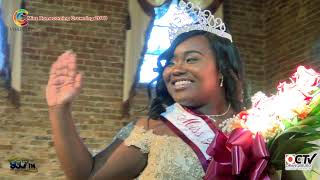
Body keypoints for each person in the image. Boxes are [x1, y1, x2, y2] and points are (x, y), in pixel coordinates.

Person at [46, 1, 307, 179]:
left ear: (222, 71)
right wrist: (59, 109)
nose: (175, 69)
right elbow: (86, 175)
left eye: (191, 59)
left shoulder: (263, 128)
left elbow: (303, 168)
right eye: (171, 61)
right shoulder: (151, 129)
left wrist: (300, 149)